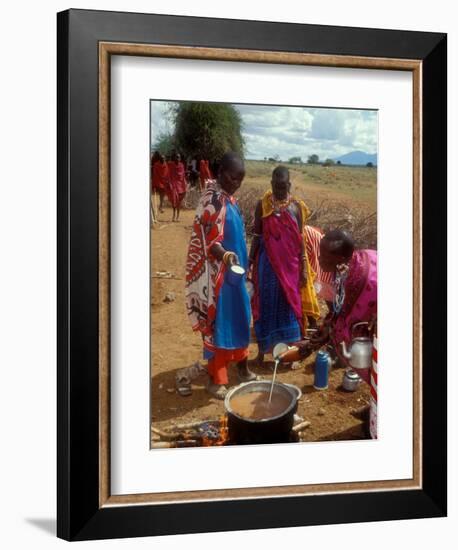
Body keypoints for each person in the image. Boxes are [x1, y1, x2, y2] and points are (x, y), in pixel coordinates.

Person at [185, 152, 255, 399]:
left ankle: (243, 370)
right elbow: (208, 240)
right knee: (220, 326)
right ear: (220, 172)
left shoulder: (229, 199)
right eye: (232, 176)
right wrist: (225, 255)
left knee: (241, 319)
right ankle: (217, 379)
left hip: (236, 276)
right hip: (218, 279)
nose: (237, 182)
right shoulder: (212, 199)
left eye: (241, 178)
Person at [248, 166, 320, 367]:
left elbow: (301, 242)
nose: (280, 191)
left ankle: (291, 354)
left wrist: (305, 269)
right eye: (276, 186)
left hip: (291, 267)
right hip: (267, 265)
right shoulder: (262, 206)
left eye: (283, 186)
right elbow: (257, 235)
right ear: (271, 184)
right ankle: (262, 353)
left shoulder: (297, 208)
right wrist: (250, 261)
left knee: (290, 307)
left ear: (289, 185)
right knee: (265, 306)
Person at [167, 153, 188, 222]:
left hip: (180, 185)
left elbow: (183, 175)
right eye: (176, 157)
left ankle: (177, 216)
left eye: (178, 157)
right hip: (173, 185)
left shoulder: (181, 165)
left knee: (179, 202)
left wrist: (184, 183)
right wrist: (170, 183)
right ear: (174, 158)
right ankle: (173, 214)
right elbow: (169, 174)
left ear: (180, 158)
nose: (177, 159)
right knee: (174, 201)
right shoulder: (171, 165)